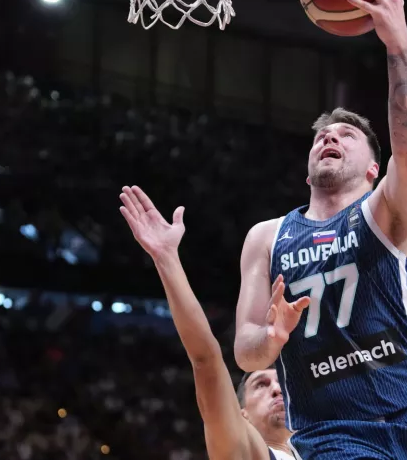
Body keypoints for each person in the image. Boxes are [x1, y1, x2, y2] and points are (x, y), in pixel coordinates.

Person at [232, 0, 407, 460]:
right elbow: (245, 349)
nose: (328, 138)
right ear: (307, 166)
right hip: (334, 433)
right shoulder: (267, 236)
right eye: (321, 136)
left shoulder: (387, 212)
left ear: (372, 168)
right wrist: (270, 341)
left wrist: (398, 45)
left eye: (345, 134)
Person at [118, 185, 299, 460]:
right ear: (242, 415)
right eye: (261, 385)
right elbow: (206, 360)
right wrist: (167, 259)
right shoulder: (242, 450)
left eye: (281, 385)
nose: (277, 388)